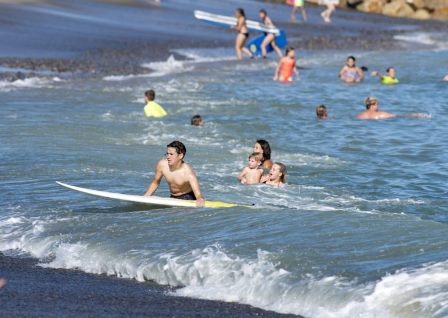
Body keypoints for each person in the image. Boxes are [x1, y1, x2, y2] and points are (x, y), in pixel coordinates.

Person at [144, 141, 204, 206]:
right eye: (167, 154)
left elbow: (198, 193)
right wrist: (145, 197)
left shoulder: (188, 173)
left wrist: (199, 199)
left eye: (171, 154)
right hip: (172, 197)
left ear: (180, 155)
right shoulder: (162, 165)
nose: (168, 157)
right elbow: (155, 182)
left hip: (188, 198)